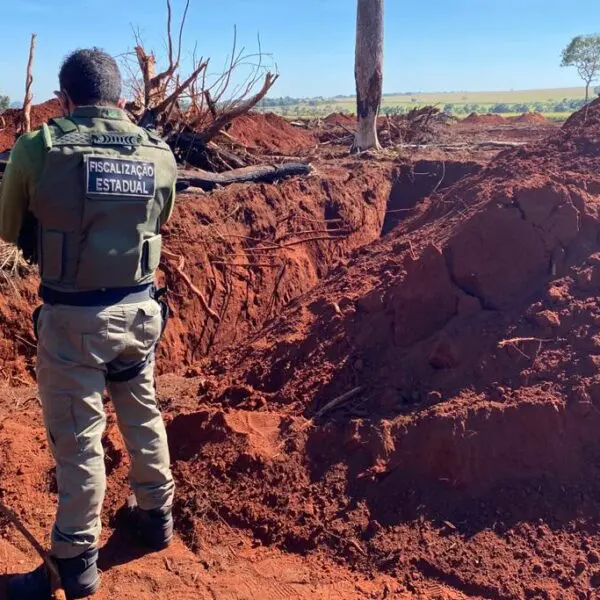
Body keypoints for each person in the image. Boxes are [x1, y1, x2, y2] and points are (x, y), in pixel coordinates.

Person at [0, 48, 177, 599]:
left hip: (74, 321)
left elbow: (8, 229)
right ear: (121, 99)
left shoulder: (39, 147)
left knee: (79, 438)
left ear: (66, 98)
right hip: (141, 314)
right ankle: (156, 516)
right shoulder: (158, 150)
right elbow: (160, 217)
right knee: (141, 409)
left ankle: (73, 562)